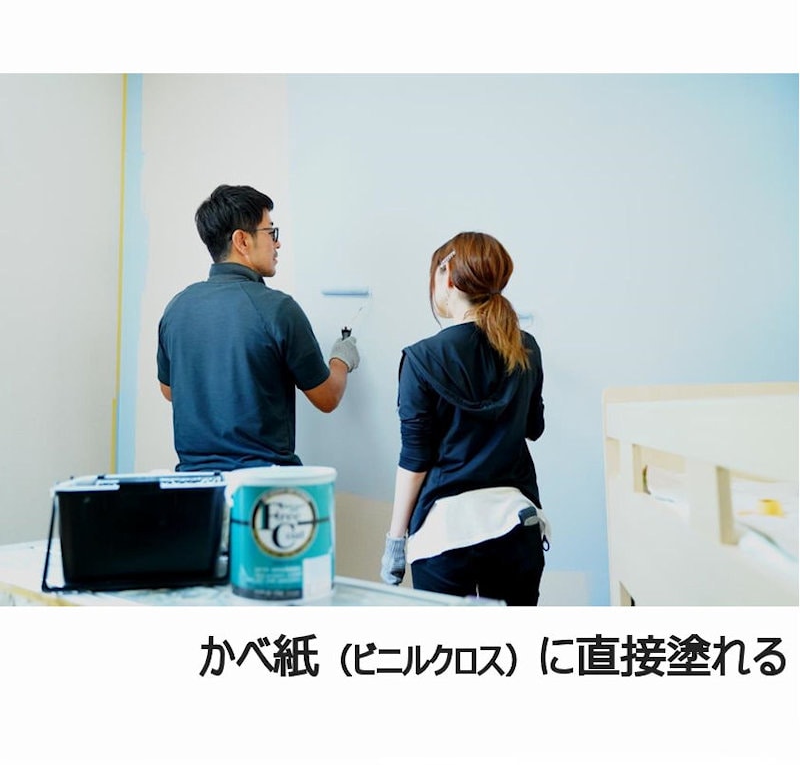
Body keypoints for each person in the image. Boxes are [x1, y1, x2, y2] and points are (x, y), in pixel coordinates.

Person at [380, 231, 547, 605]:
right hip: (516, 525)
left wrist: (395, 540)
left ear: (448, 276)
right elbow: (533, 427)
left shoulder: (421, 358)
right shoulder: (526, 347)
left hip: (445, 535)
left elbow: (415, 459)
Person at [157, 184, 359, 471]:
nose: (277, 244)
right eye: (270, 232)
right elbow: (327, 398)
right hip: (263, 487)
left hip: (195, 487)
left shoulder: (177, 307)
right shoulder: (276, 309)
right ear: (242, 240)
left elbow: (169, 391)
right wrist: (342, 358)